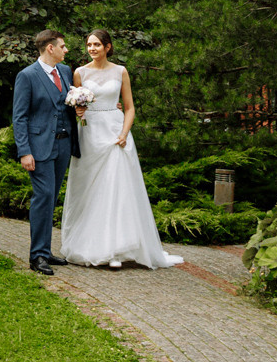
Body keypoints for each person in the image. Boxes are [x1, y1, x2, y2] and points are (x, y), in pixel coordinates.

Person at [55, 28, 183, 269]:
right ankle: (90, 244)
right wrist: (78, 110)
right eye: (89, 45)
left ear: (107, 47)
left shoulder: (120, 71)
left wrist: (124, 133)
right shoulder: (79, 73)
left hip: (115, 132)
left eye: (96, 45)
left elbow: (130, 106)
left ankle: (117, 249)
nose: (92, 49)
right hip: (90, 134)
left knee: (116, 188)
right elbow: (74, 106)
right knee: (90, 190)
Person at [10, 29, 79, 277]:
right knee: (44, 196)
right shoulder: (27, 76)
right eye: (63, 45)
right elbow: (19, 117)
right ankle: (37, 255)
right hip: (38, 148)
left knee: (51, 198)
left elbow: (68, 105)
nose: (66, 49)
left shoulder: (66, 71)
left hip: (63, 145)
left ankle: (46, 251)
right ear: (50, 48)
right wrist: (24, 151)